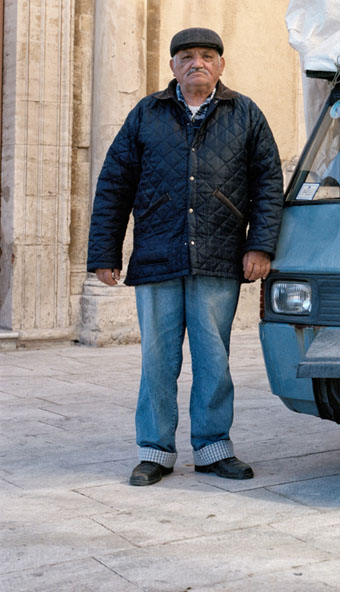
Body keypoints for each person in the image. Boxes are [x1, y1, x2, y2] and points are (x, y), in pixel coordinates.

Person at [87, 27, 284, 486]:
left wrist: (261, 245)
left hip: (219, 256)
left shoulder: (246, 114)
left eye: (207, 56)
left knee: (213, 356)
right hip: (157, 255)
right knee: (157, 358)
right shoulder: (146, 114)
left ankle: (214, 448)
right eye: (188, 56)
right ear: (173, 66)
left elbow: (269, 185)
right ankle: (154, 450)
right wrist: (104, 252)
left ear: (221, 65)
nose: (198, 62)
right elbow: (114, 185)